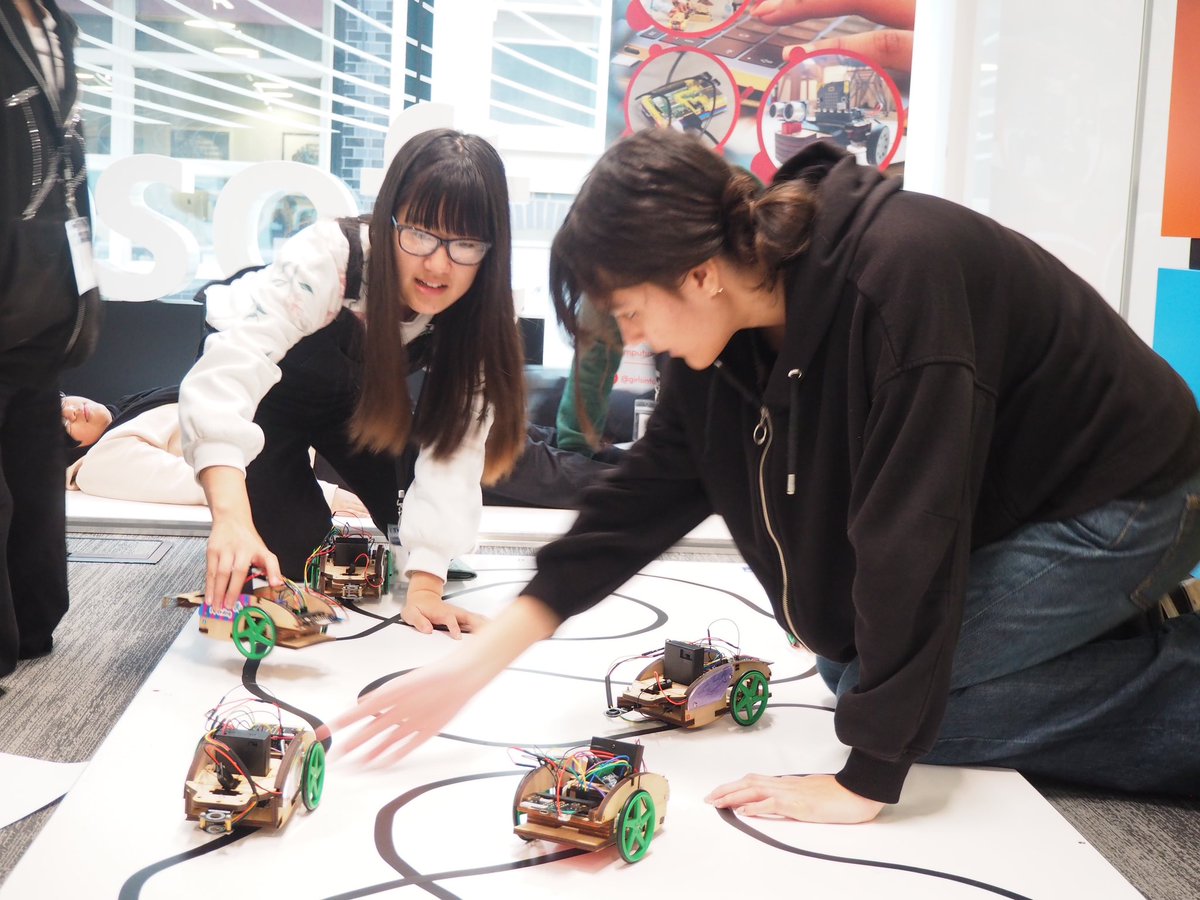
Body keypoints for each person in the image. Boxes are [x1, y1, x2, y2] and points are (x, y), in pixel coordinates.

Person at [330, 127, 1200, 822]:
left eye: (633, 312)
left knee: (906, 707)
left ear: (700, 274)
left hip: (1126, 498)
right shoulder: (726, 335)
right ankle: (1097, 634)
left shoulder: (902, 279)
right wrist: (478, 664)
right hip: (1014, 504)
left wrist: (866, 783)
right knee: (858, 670)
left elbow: (913, 535)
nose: (637, 340)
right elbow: (640, 500)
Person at [179, 129, 526, 636]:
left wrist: (426, 583)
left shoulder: (485, 311)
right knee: (297, 563)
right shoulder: (330, 258)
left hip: (352, 397)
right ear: (388, 221)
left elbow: (457, 447)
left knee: (412, 533)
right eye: (419, 234)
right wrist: (230, 515)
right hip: (261, 395)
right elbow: (229, 375)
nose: (437, 264)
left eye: (465, 243)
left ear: (491, 248)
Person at [1, 0, 101, 677]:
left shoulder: (57, 26)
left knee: (33, 481)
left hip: (46, 295)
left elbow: (67, 173)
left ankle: (29, 628)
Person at [63, 387, 368, 515]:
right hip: (306, 464)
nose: (73, 411)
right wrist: (320, 494)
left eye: (62, 402)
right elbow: (203, 479)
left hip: (313, 437)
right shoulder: (100, 464)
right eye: (62, 426)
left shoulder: (131, 407)